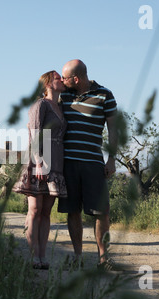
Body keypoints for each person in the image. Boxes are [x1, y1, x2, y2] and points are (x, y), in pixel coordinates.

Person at [58, 59, 118, 270]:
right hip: (68, 163)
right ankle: (77, 257)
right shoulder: (62, 94)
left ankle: (104, 259)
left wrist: (111, 159)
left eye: (65, 77)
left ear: (76, 78)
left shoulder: (105, 95)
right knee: (72, 210)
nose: (62, 80)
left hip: (94, 162)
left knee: (102, 211)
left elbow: (113, 130)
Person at [13, 70, 68, 270]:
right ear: (47, 84)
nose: (61, 80)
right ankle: (33, 255)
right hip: (39, 161)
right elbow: (35, 133)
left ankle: (43, 255)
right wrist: (38, 163)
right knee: (34, 210)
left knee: (46, 212)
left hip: (56, 164)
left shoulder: (61, 107)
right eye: (57, 78)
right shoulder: (40, 105)